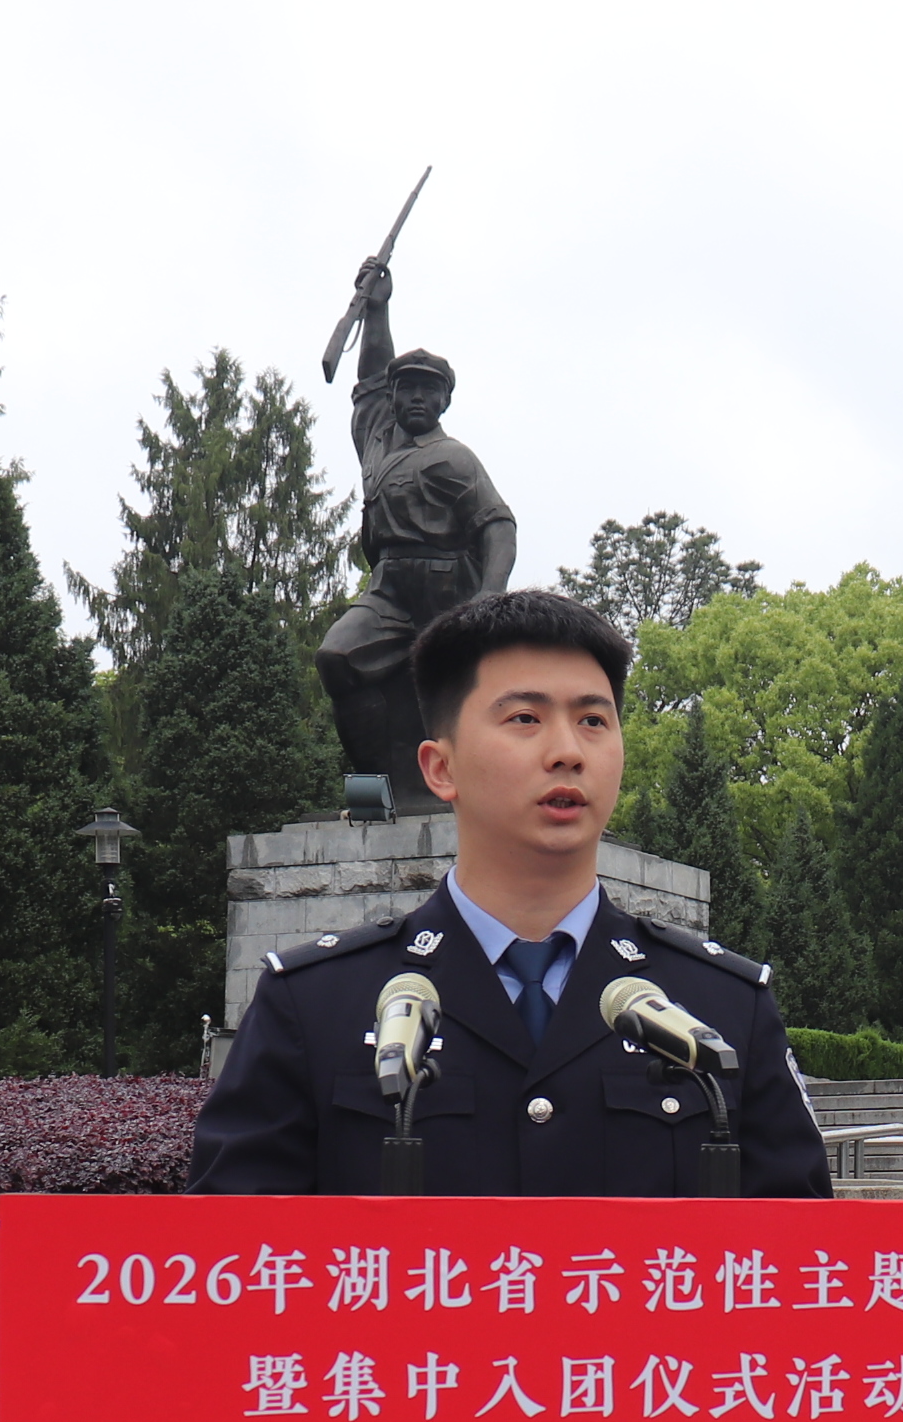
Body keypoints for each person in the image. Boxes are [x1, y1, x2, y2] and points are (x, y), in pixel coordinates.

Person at [187, 588, 832, 1198]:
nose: (568, 752)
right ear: (441, 767)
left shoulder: (721, 1009)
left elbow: (807, 1258)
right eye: (525, 718)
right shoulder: (315, 1005)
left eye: (593, 720)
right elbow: (233, 1259)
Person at [313, 257, 514, 802]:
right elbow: (371, 377)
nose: (418, 398)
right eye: (408, 390)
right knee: (338, 657)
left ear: (445, 400)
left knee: (455, 692)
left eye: (430, 391)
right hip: (389, 586)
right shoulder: (377, 439)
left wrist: (488, 598)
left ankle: (462, 786)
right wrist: (377, 311)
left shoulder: (454, 458)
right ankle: (375, 789)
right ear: (396, 398)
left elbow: (498, 525)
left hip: (446, 586)